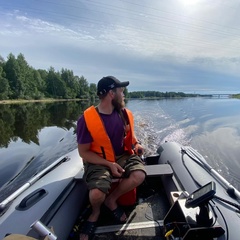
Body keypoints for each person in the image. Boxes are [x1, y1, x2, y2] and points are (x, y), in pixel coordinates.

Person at [76, 76, 146, 240]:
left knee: (139, 175)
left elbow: (130, 137)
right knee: (96, 195)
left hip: (122, 156)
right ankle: (95, 213)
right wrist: (109, 164)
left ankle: (112, 200)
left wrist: (137, 145)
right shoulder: (86, 120)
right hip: (98, 160)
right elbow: (84, 152)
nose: (124, 95)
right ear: (111, 94)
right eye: (121, 91)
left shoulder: (124, 114)